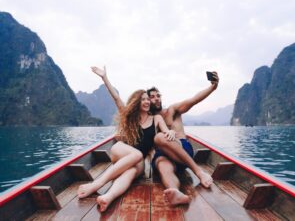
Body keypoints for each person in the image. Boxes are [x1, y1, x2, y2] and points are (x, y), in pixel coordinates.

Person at [77, 66, 175, 212]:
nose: (147, 101)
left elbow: (167, 132)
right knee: (136, 154)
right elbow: (116, 98)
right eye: (143, 99)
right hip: (121, 151)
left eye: (148, 99)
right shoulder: (131, 117)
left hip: (138, 161)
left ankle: (107, 197)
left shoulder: (157, 118)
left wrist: (171, 132)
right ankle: (96, 184)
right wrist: (105, 78)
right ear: (137, 102)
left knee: (130, 172)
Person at [147, 71, 219, 205]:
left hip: (182, 149)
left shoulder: (172, 110)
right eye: (152, 97)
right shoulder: (148, 119)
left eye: (158, 96)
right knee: (163, 166)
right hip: (163, 155)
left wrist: (212, 87)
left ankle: (198, 172)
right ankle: (175, 192)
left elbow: (193, 100)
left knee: (159, 138)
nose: (156, 98)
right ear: (147, 100)